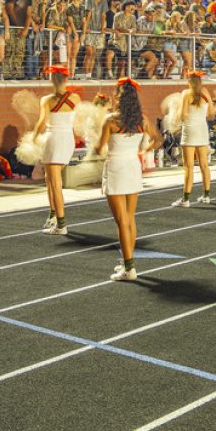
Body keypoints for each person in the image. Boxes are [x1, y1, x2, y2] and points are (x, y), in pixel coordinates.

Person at [94, 78, 161, 281]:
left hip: (115, 167)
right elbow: (158, 139)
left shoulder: (111, 120)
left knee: (121, 221)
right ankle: (126, 262)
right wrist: (144, 150)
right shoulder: (142, 119)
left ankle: (129, 268)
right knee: (129, 218)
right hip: (132, 166)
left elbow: (99, 148)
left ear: (118, 98)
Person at [32, 65, 78, 235]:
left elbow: (42, 122)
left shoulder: (46, 100)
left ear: (52, 80)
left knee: (56, 184)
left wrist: (34, 137)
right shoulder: (76, 98)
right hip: (68, 141)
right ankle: (52, 215)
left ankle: (61, 225)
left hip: (54, 140)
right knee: (50, 178)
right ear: (66, 79)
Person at [174, 70, 216, 207]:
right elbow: (211, 113)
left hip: (189, 130)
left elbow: (183, 114)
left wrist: (176, 113)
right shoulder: (205, 93)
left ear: (189, 81)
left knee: (188, 166)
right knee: (204, 164)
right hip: (202, 129)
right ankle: (206, 196)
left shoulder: (185, 94)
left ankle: (186, 199)